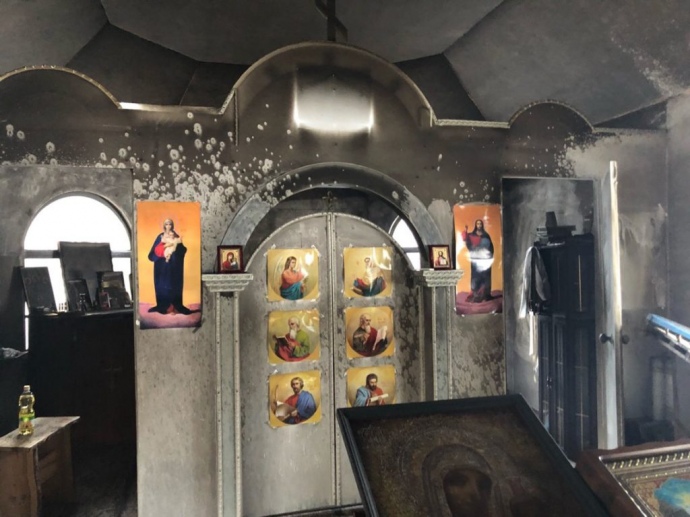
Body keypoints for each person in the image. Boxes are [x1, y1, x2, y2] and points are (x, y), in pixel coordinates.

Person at [147, 218, 193, 314]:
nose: (168, 226)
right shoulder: (160, 236)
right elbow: (154, 252)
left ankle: (176, 306)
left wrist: (177, 248)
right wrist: (163, 249)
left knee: (173, 284)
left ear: (172, 226)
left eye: (170, 224)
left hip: (174, 266)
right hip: (162, 267)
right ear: (164, 226)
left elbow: (182, 249)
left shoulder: (176, 236)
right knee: (162, 285)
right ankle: (163, 306)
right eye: (166, 224)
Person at [462, 219, 494, 302]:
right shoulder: (472, 235)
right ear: (476, 225)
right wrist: (466, 236)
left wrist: (489, 255)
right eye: (477, 224)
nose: (479, 225)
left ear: (482, 225)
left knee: (485, 277)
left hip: (485, 260)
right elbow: (469, 244)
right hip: (476, 259)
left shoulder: (486, 235)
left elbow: (490, 247)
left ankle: (485, 295)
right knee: (475, 277)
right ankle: (476, 295)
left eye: (480, 224)